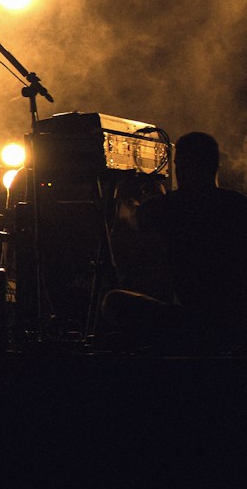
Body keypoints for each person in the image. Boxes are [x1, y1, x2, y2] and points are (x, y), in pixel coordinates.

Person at [102, 132, 247, 351]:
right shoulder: (237, 203)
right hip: (237, 323)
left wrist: (126, 196)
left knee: (114, 301)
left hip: (198, 322)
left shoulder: (173, 205)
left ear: (184, 166)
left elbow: (133, 218)